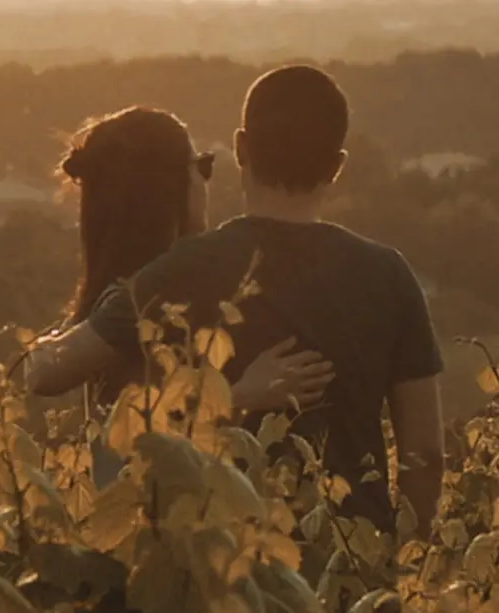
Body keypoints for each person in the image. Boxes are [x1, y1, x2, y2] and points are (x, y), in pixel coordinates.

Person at [28, 68, 444, 537]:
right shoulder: (389, 274)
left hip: (226, 559)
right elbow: (426, 455)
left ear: (242, 148)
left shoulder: (180, 271)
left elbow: (47, 372)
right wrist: (405, 559)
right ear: (337, 165)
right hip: (355, 555)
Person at [26, 105, 335, 484]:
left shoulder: (128, 290)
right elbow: (47, 376)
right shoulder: (156, 288)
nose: (206, 182)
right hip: (152, 508)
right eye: (201, 167)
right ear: (167, 186)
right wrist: (243, 396)